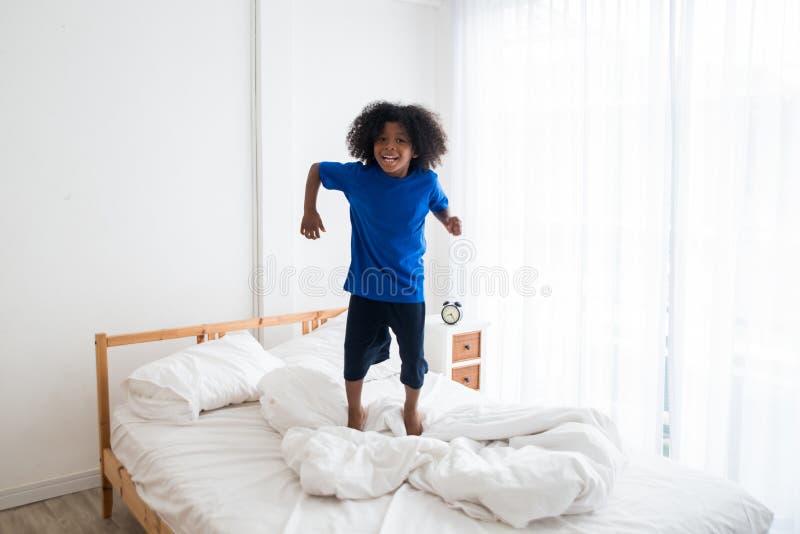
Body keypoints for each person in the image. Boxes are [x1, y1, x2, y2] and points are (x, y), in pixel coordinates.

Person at [300, 101, 462, 436]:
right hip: (365, 287)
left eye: (401, 140)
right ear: (370, 143)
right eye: (383, 139)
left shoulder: (426, 181)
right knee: (354, 355)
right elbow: (317, 168)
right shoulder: (358, 177)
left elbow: (440, 204)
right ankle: (355, 411)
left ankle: (411, 409)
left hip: (408, 289)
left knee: (413, 360)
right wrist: (309, 211)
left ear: (416, 148)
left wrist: (448, 221)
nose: (390, 146)